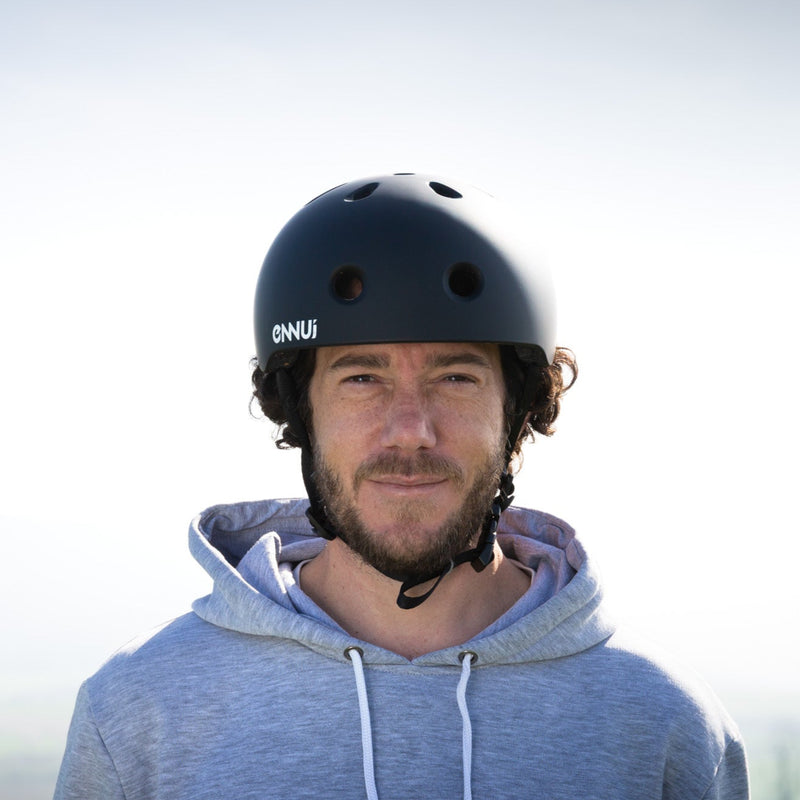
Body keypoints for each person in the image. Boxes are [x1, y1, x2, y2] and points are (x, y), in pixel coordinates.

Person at [54, 173, 749, 799]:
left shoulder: (665, 727)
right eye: (362, 377)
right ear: (302, 411)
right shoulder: (138, 713)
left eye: (456, 377)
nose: (410, 430)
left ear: (518, 411)